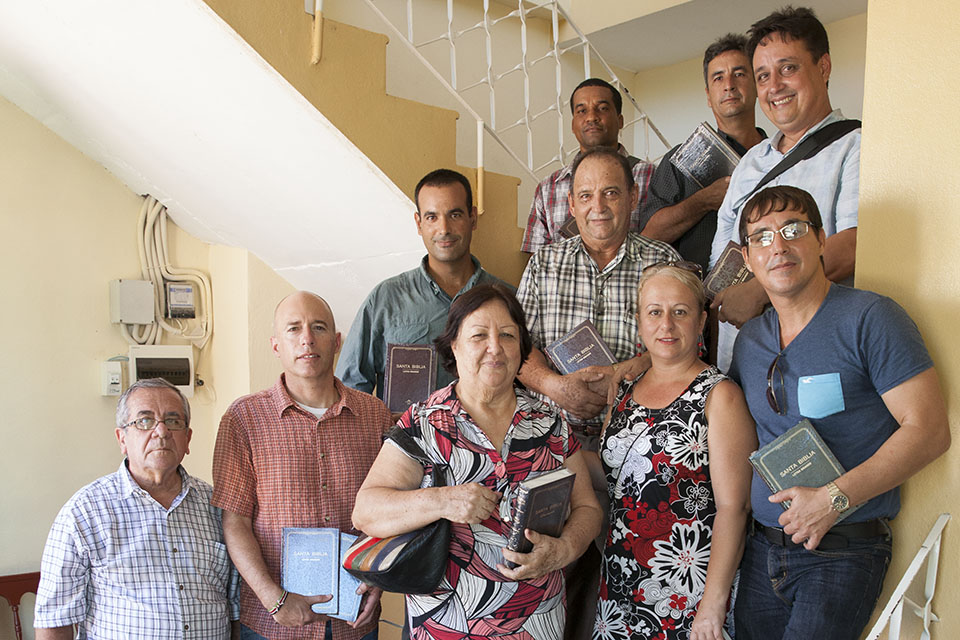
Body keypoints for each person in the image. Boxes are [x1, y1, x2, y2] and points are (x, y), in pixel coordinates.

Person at [729, 186, 951, 640]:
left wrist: (834, 499)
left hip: (843, 552)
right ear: (748, 260)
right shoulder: (749, 341)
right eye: (762, 237)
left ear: (822, 238)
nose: (780, 246)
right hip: (761, 550)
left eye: (794, 229)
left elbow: (929, 431)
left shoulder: (871, 318)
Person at [352, 284, 602, 640]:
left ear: (521, 349)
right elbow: (366, 511)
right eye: (479, 335)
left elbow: (588, 508)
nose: (495, 348)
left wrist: (564, 550)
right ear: (454, 345)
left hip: (538, 622)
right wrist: (443, 500)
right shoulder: (423, 422)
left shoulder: (550, 423)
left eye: (507, 335)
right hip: (446, 624)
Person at [516, 147, 680, 640]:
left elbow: (693, 345)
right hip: (556, 456)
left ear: (634, 196)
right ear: (569, 204)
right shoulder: (543, 264)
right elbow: (514, 351)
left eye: (612, 192)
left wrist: (630, 371)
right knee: (550, 583)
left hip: (636, 457)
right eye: (586, 195)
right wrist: (554, 386)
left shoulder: (664, 263)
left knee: (625, 587)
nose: (599, 206)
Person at [213, 292, 393, 640]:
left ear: (337, 341)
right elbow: (234, 522)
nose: (307, 338)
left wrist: (379, 579)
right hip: (271, 625)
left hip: (353, 621)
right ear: (276, 345)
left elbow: (392, 510)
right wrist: (274, 600)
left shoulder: (375, 415)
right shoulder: (244, 419)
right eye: (293, 329)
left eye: (319, 327)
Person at [588, 265, 755, 640]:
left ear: (700, 321)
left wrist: (712, 606)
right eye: (655, 311)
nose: (666, 324)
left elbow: (735, 507)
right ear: (639, 322)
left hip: (689, 590)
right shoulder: (626, 391)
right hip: (621, 583)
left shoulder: (719, 396)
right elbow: (616, 475)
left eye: (680, 312)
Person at [708, 7, 860, 372]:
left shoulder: (855, 146)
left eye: (788, 69)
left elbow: (855, 243)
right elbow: (722, 258)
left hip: (814, 351)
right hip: (739, 357)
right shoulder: (750, 162)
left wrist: (758, 293)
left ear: (823, 67)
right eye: (763, 75)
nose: (774, 87)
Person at [35, 378, 238, 640]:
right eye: (145, 421)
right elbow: (54, 620)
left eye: (173, 421)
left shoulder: (217, 506)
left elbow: (234, 608)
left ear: (187, 439)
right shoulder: (85, 512)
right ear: (122, 438)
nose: (161, 432)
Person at [337, 168, 511, 404]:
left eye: (455, 215)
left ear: (473, 217)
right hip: (408, 439)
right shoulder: (386, 299)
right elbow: (351, 390)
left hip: (489, 439)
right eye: (432, 217)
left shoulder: (507, 298)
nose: (444, 229)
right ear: (419, 223)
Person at [639, 34, 766, 275]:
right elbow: (648, 237)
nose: (729, 84)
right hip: (694, 301)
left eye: (739, 74)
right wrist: (704, 200)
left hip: (768, 296)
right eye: (718, 78)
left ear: (757, 84)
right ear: (708, 95)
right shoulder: (680, 160)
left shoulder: (778, 156)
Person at [521, 78, 654, 254]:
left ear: (620, 120)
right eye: (582, 111)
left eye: (603, 109)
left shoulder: (651, 176)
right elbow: (534, 256)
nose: (591, 117)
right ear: (573, 124)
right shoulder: (548, 188)